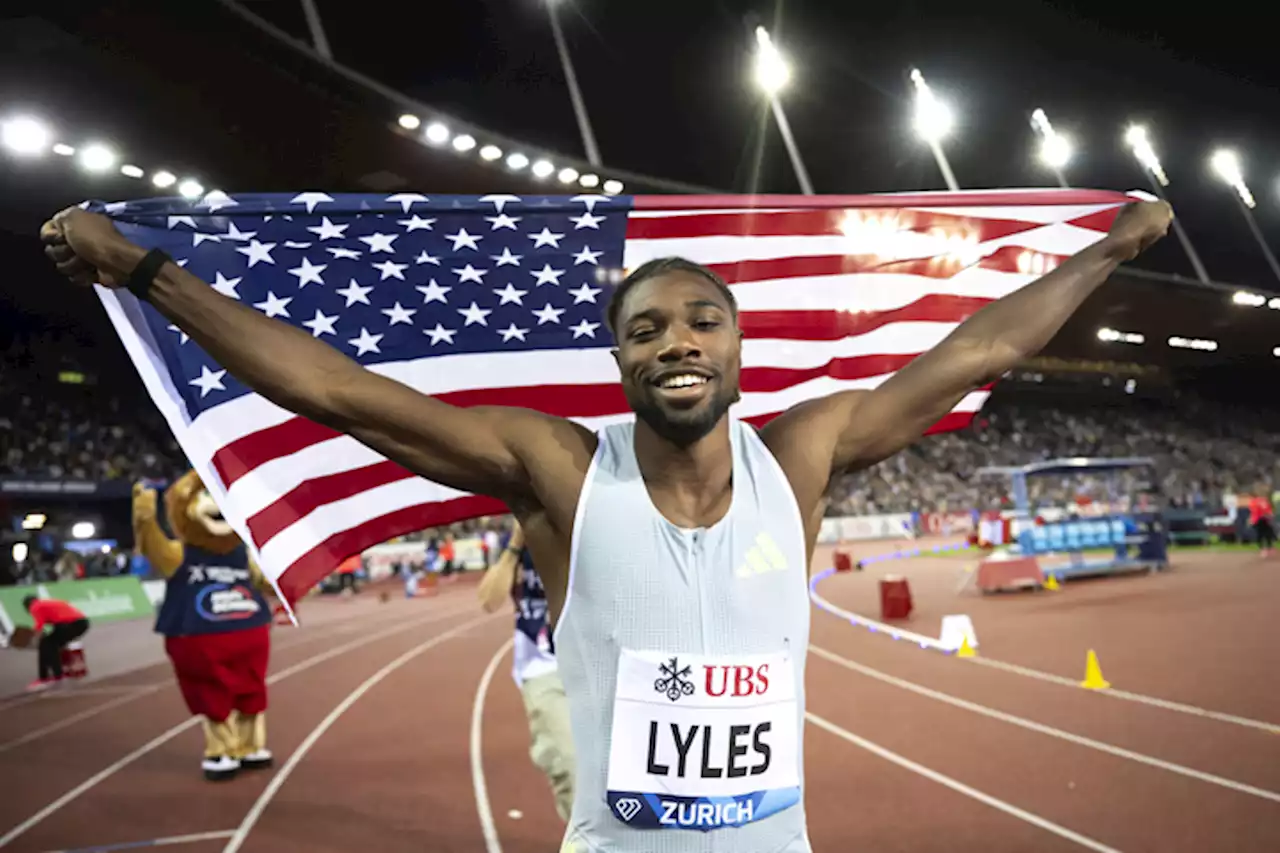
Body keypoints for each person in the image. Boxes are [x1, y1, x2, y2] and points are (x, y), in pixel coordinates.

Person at [40, 198, 1173, 850]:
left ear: (736, 346)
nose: (674, 340)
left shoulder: (804, 452)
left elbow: (979, 350)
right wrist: (148, 271)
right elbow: (337, 392)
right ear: (617, 359)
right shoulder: (560, 471)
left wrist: (1110, 248)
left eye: (699, 320)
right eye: (643, 330)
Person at [477, 520, 575, 822]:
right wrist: (515, 545)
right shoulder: (522, 541)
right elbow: (489, 601)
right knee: (571, 766)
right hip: (543, 666)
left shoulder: (585, 522)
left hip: (595, 662)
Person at [23, 594, 90, 690]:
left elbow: (39, 627)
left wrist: (32, 641)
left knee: (46, 645)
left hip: (70, 625)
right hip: (82, 623)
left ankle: (48, 677)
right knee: (49, 644)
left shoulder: (35, 607)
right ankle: (55, 674)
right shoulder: (47, 603)